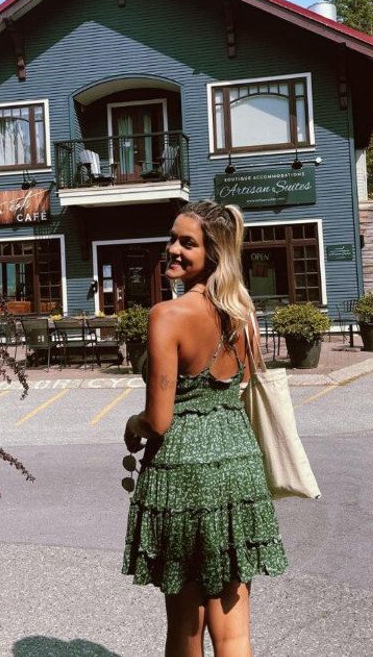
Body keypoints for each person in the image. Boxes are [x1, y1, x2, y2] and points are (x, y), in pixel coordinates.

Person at [121, 200, 287, 656]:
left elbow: (159, 419)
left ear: (213, 254)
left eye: (186, 243)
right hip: (238, 466)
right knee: (234, 631)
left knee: (185, 629)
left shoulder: (167, 315)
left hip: (184, 474)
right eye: (173, 238)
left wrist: (130, 426)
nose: (172, 249)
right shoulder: (244, 314)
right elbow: (242, 386)